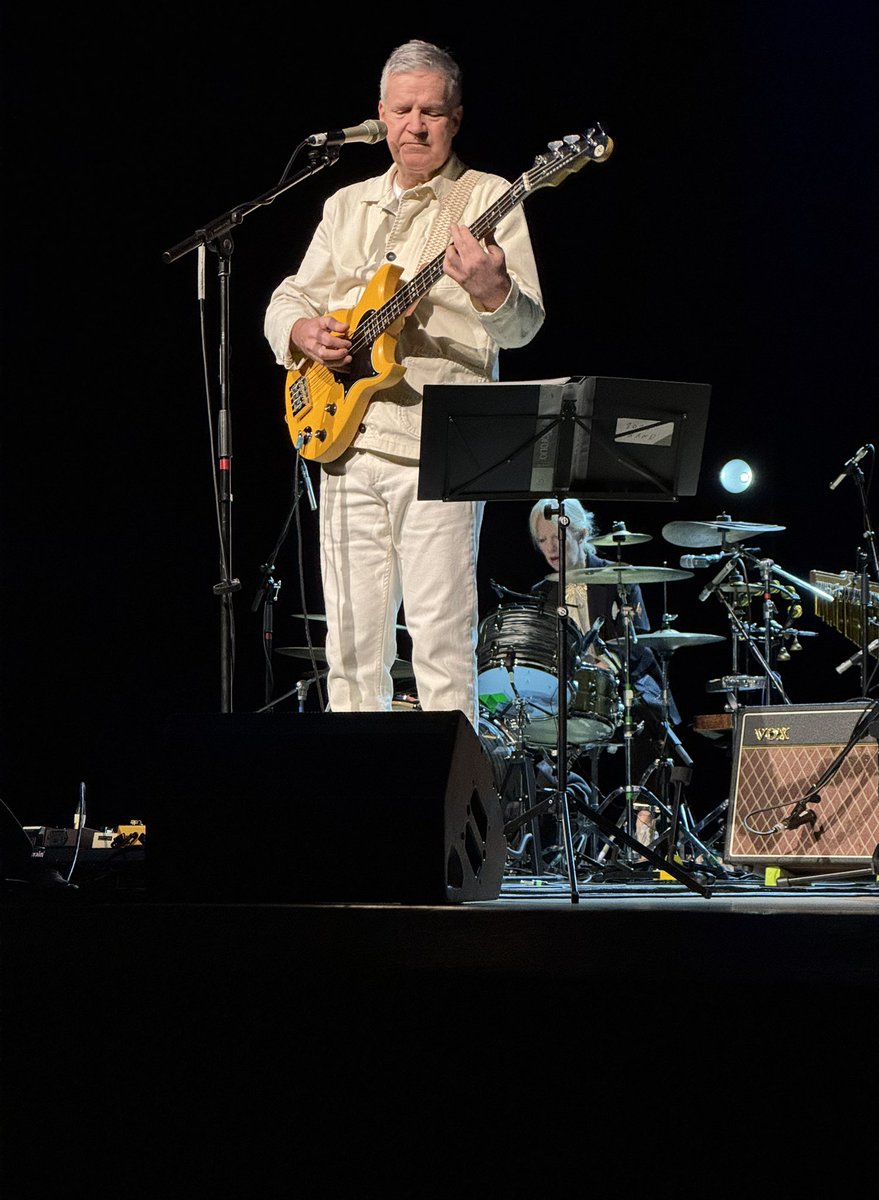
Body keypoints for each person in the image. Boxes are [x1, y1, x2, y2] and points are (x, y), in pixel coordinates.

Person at [263, 39, 544, 729]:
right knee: (351, 655)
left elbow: (523, 328)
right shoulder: (346, 204)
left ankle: (446, 797)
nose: (416, 125)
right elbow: (289, 298)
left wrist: (492, 290)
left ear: (456, 118)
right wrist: (303, 333)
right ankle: (358, 793)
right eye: (403, 110)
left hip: (441, 452)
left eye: (432, 112)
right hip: (347, 446)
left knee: (441, 650)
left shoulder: (488, 197)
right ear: (381, 115)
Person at [527, 498, 684, 845]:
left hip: (621, 683)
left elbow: (639, 643)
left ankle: (647, 823)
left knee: (647, 716)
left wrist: (605, 666)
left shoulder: (619, 577)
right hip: (570, 692)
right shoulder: (542, 593)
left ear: (581, 534)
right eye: (542, 540)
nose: (550, 547)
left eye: (557, 537)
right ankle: (555, 837)